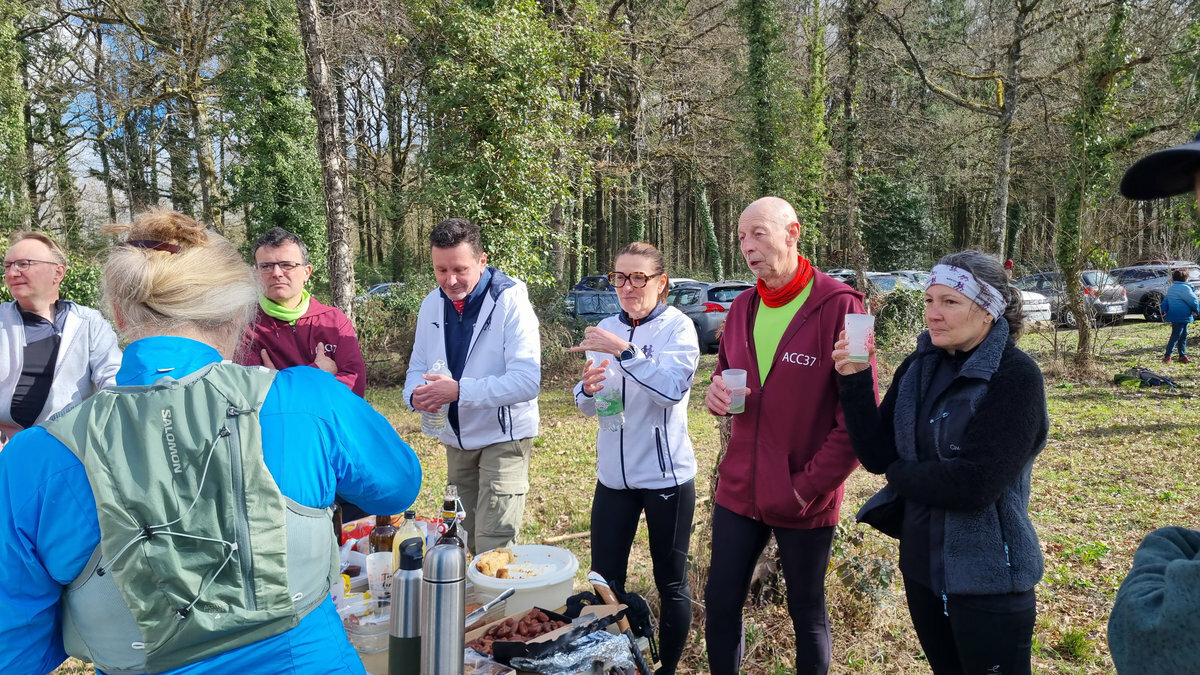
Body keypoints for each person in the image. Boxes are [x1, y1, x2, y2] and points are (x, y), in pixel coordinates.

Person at [0, 209, 422, 674]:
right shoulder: (307, 398)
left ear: (118, 314)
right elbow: (397, 486)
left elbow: (16, 649)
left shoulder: (32, 458)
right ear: (238, 312)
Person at [833, 251, 1048, 675]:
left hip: (989, 580)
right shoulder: (919, 367)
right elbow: (876, 455)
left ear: (988, 310)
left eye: (950, 302)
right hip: (922, 570)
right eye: (930, 300)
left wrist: (899, 474)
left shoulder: (1015, 376)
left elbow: (974, 485)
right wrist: (855, 379)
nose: (933, 313)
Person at [703, 196, 870, 675]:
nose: (747, 246)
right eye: (741, 237)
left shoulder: (845, 308)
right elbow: (724, 376)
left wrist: (806, 487)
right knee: (720, 601)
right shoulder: (741, 307)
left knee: (806, 610)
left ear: (793, 233)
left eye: (758, 233)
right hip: (739, 489)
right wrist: (715, 395)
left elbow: (858, 419)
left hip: (803, 495)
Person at [571, 242, 699, 675]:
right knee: (604, 582)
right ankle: (619, 665)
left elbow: (671, 391)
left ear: (661, 283)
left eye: (639, 278)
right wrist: (586, 390)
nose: (627, 287)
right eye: (620, 278)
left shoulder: (678, 327)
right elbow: (589, 404)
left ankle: (668, 669)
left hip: (666, 477)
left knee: (671, 582)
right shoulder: (606, 327)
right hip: (613, 477)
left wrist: (624, 351)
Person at [1108, 132, 1200, 673]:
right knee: (1177, 340)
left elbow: (1158, 641)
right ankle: (1174, 354)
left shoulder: (1177, 288)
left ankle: (1174, 354)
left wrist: (1161, 552)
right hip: (1179, 322)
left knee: (1177, 339)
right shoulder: (1181, 289)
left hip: (1178, 321)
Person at [404, 217, 540, 554]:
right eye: (440, 270)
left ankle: (498, 589)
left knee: (493, 544)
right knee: (461, 540)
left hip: (504, 438)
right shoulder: (431, 304)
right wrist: (414, 396)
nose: (450, 280)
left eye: (460, 269)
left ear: (482, 261)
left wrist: (459, 392)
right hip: (456, 441)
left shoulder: (510, 300)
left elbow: (527, 381)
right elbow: (417, 367)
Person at [0, 231, 121, 444]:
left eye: (24, 264)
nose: (12, 273)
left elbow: (113, 382)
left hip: (69, 443)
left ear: (58, 273)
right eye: (7, 266)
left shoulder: (88, 324)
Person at [238, 226, 367, 397]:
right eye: (266, 266)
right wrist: (318, 372)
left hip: (328, 415)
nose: (276, 273)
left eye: (287, 265)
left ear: (306, 273)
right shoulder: (243, 326)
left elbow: (354, 387)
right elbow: (252, 394)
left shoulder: (334, 321)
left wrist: (279, 382)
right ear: (255, 273)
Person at [1159, 268, 1198, 364]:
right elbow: (1193, 301)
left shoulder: (1172, 288)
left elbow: (1166, 300)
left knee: (1183, 335)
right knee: (1176, 336)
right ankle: (1167, 356)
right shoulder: (1185, 288)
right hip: (1182, 315)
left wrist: (1164, 310)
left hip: (1177, 316)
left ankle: (1182, 355)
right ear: (1186, 278)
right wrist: (1198, 310)